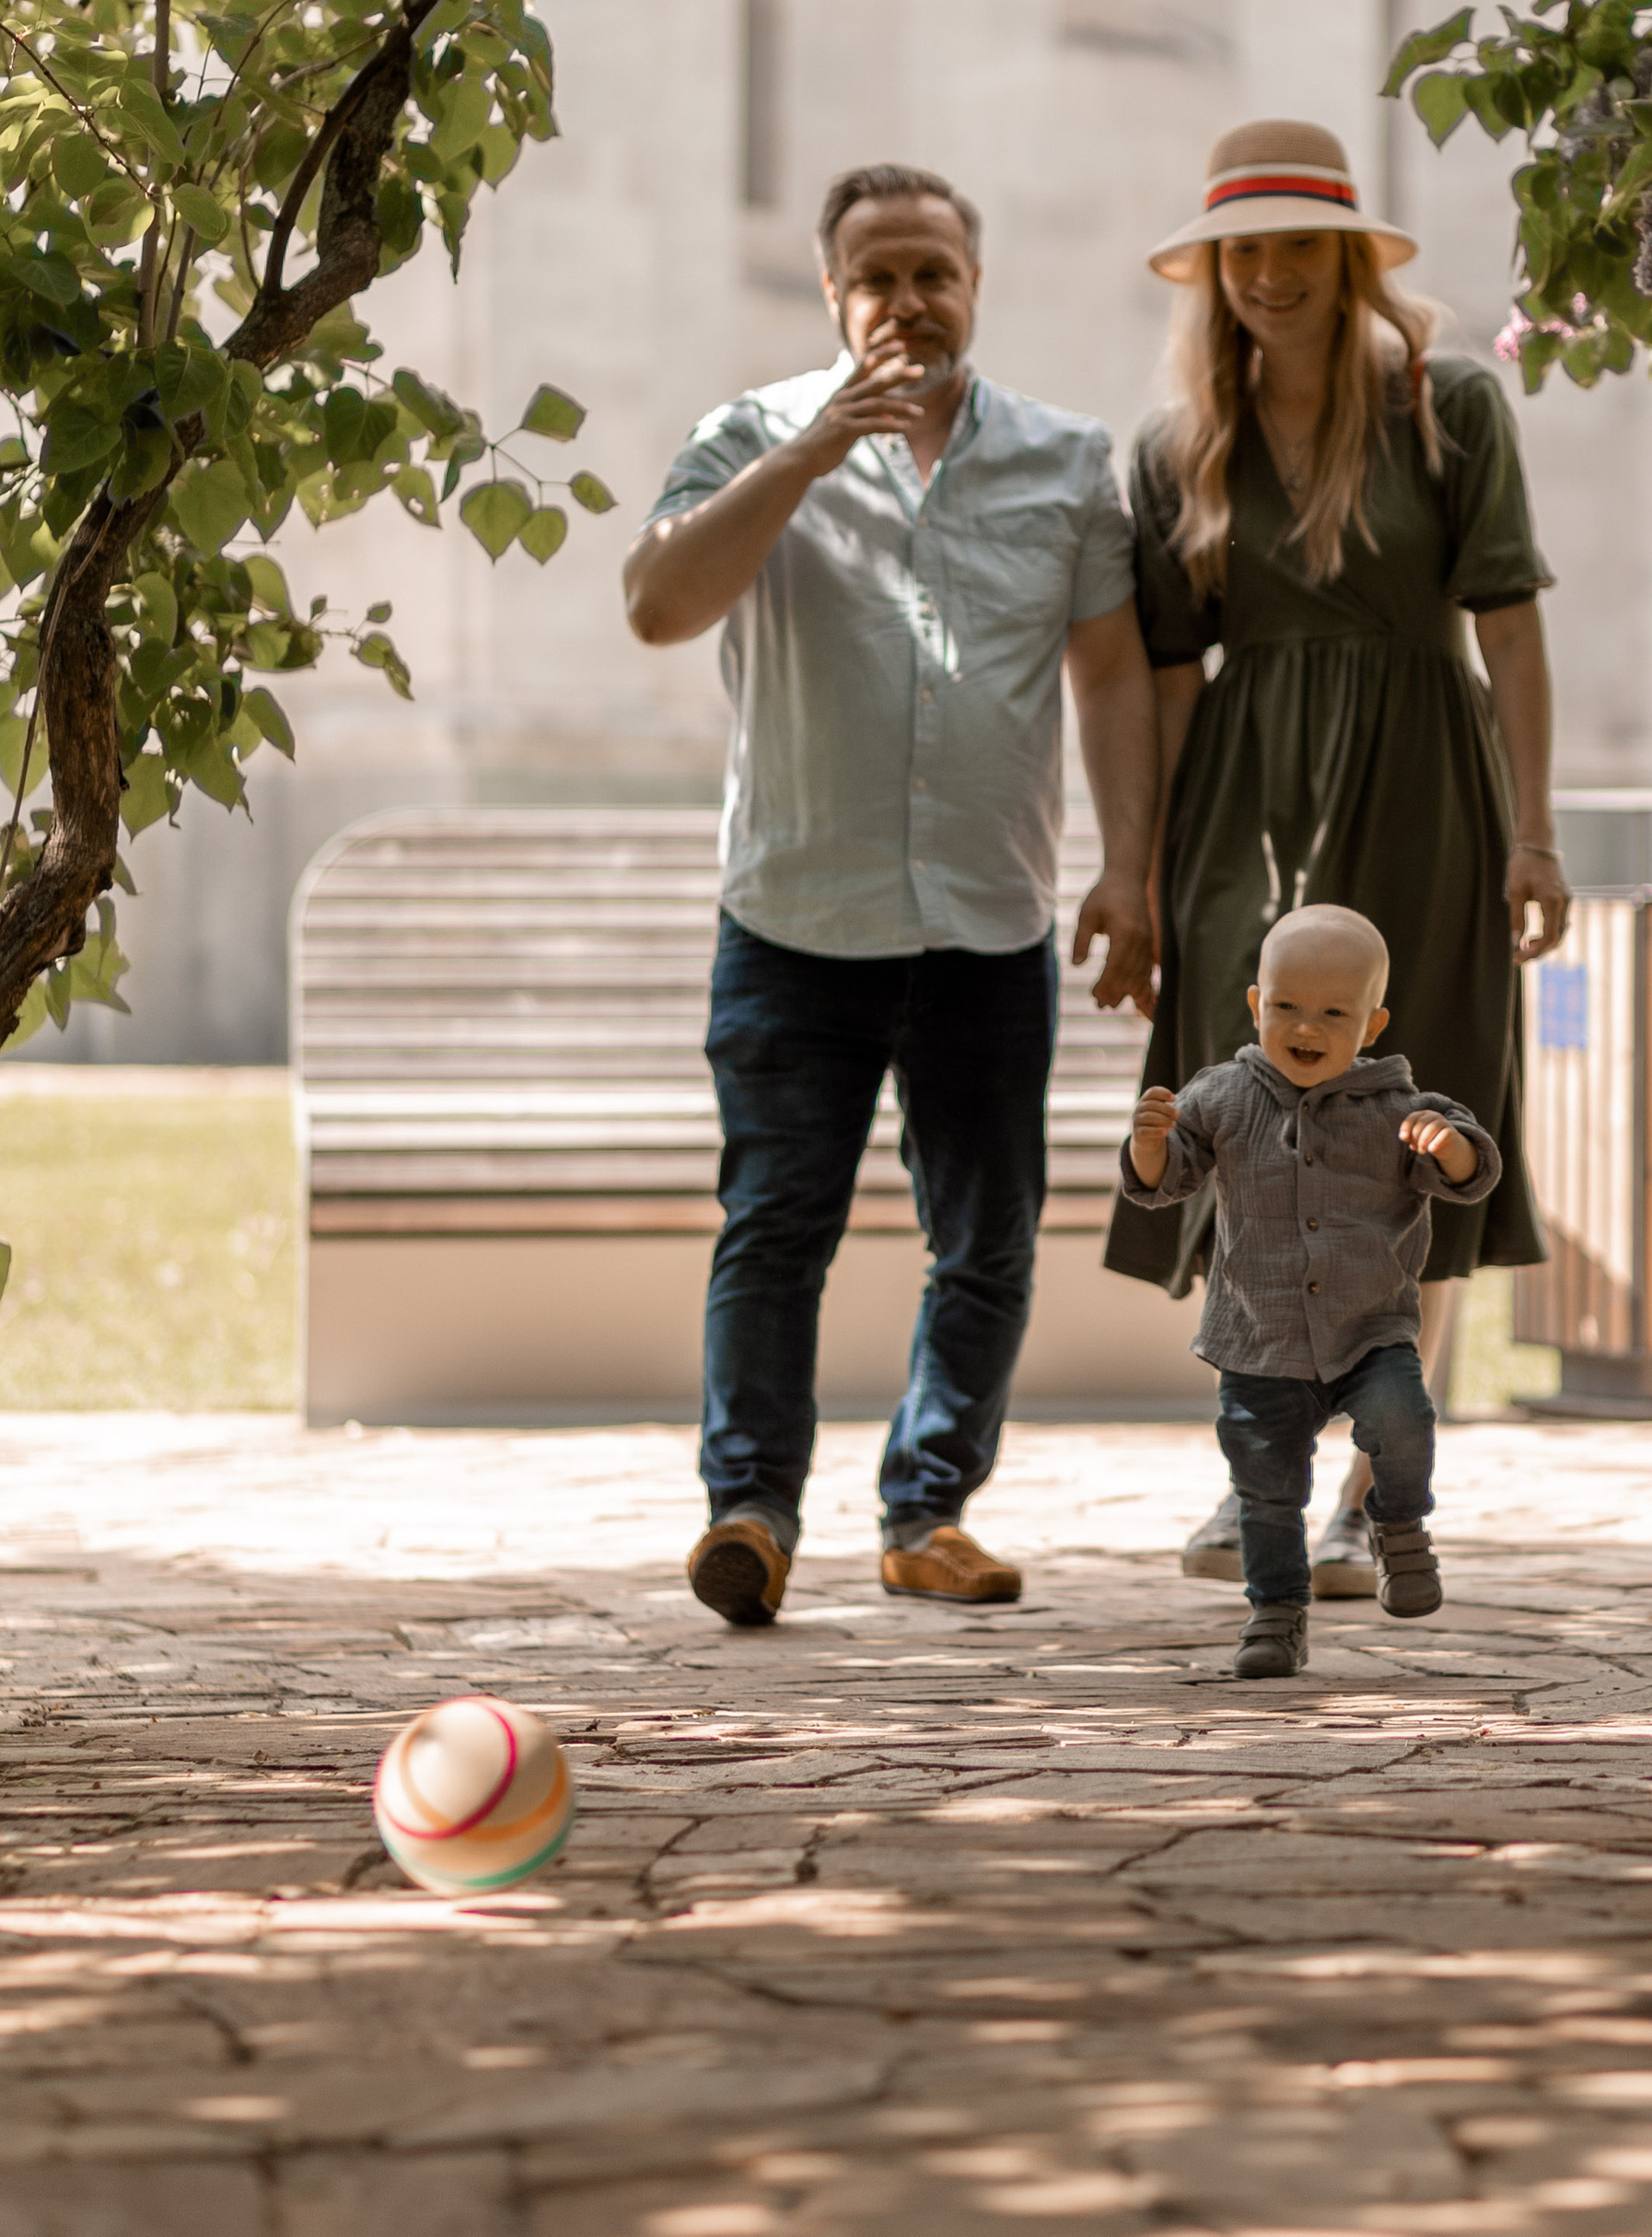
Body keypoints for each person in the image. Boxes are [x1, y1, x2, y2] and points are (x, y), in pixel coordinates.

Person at [624, 161, 1158, 1626]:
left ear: (974, 284)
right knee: (775, 1225)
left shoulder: (1064, 457)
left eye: (934, 271)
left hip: (990, 919)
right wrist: (808, 454)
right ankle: (751, 1514)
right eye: (879, 276)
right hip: (797, 915)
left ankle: (929, 1513)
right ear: (833, 294)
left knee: (986, 1235)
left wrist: (1133, 865)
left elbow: (1110, 669)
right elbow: (661, 603)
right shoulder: (749, 436)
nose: (910, 299)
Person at [1101, 118, 1571, 1596]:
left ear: (1352, 257)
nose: (1270, 275)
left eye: (1299, 244)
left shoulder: (1448, 411)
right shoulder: (1179, 446)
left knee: (1410, 1125)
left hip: (1431, 784)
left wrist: (1537, 828)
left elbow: (1509, 627)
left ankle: (1378, 1487)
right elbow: (1167, 680)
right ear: (1214, 268)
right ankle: (1262, 1468)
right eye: (1245, 249)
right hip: (1244, 801)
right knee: (1246, 1124)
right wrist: (1147, 873)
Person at [1123, 903, 1500, 1678]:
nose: (1307, 1026)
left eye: (1335, 1012)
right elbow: (1165, 1184)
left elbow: (1469, 1179)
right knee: (1265, 1489)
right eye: (1287, 1006)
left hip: (1371, 1330)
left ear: (1372, 1023)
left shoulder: (1401, 1108)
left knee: (1404, 1421)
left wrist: (1454, 1150)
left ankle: (1396, 1525)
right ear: (1258, 1006)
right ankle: (1277, 1613)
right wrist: (1150, 1146)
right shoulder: (1222, 1096)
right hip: (1260, 1339)